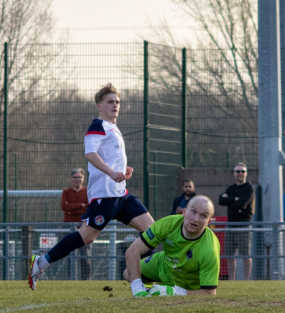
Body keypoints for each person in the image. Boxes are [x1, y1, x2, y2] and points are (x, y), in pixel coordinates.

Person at [29, 83, 155, 291]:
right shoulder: (98, 125)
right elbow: (90, 154)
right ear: (99, 106)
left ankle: (145, 280)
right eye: (110, 102)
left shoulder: (114, 128)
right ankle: (41, 262)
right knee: (87, 237)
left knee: (152, 230)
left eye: (117, 102)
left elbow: (109, 157)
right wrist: (111, 172)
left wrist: (123, 169)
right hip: (105, 195)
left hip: (121, 194)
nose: (115, 105)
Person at [124, 195, 220, 297]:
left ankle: (163, 289)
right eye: (193, 212)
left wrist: (177, 292)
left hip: (188, 283)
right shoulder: (167, 224)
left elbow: (209, 293)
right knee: (128, 273)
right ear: (184, 212)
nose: (196, 219)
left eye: (203, 216)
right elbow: (132, 250)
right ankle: (149, 290)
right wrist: (137, 289)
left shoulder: (210, 249)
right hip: (164, 263)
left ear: (209, 222)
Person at [219, 163, 255, 281]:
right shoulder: (231, 188)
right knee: (230, 254)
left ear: (246, 173)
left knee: (245, 253)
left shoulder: (249, 188)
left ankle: (246, 280)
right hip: (231, 224)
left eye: (242, 171)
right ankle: (232, 280)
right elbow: (221, 200)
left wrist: (230, 201)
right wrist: (234, 199)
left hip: (243, 224)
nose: (240, 173)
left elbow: (242, 203)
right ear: (234, 173)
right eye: (238, 171)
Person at [60, 168, 91, 280]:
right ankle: (71, 279)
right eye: (75, 177)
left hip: (84, 226)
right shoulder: (66, 192)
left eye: (79, 177)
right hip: (68, 226)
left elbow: (88, 208)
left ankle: (85, 280)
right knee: (69, 254)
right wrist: (81, 205)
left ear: (83, 179)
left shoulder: (88, 191)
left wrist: (72, 208)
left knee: (85, 254)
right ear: (71, 179)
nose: (77, 179)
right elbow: (64, 207)